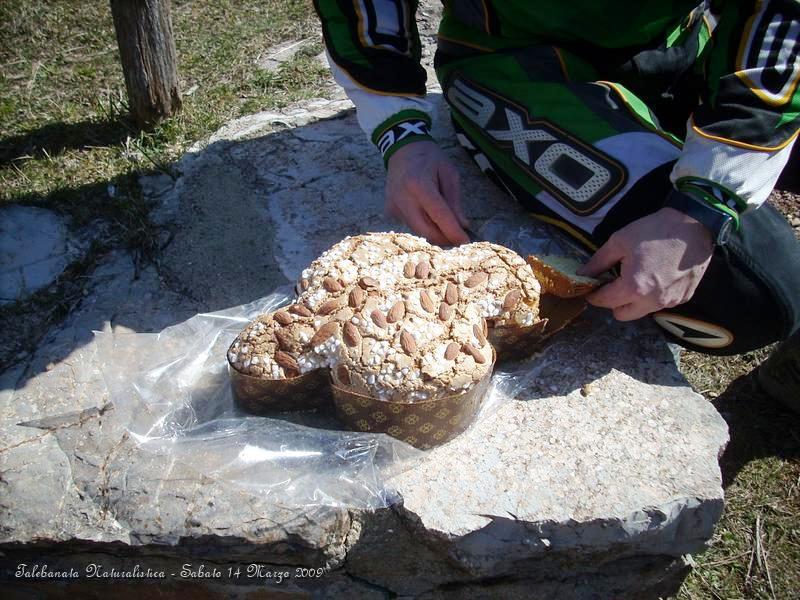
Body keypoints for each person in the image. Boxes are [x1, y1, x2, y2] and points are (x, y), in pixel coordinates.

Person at [313, 1, 800, 404]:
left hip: (694, 38)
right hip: (518, 61)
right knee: (756, 294)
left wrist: (705, 202)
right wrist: (398, 127)